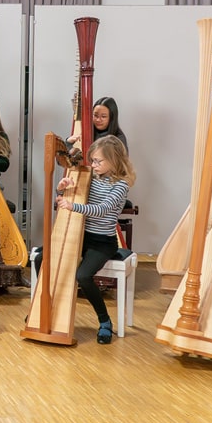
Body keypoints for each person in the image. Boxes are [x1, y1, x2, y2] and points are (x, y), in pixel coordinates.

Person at [55, 135, 135, 345]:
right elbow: (71, 195)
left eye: (99, 161)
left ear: (114, 160)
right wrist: (63, 188)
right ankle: (48, 313)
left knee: (83, 276)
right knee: (44, 258)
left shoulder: (120, 185)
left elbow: (101, 210)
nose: (94, 164)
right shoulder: (90, 176)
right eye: (92, 160)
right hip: (81, 235)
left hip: (102, 242)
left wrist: (74, 206)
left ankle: (105, 321)